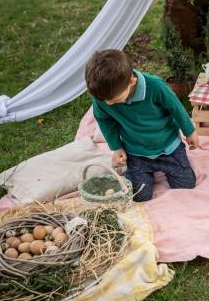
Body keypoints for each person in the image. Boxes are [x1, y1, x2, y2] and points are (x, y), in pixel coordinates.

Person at [85, 49, 199, 202]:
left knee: (186, 186)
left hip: (169, 147)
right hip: (136, 152)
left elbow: (176, 109)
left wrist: (189, 131)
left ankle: (170, 168)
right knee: (139, 196)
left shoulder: (155, 86)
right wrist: (116, 148)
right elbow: (105, 121)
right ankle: (138, 173)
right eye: (104, 101)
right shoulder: (103, 97)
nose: (109, 104)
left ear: (132, 81)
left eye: (114, 100)